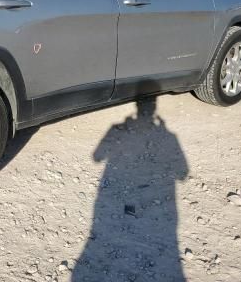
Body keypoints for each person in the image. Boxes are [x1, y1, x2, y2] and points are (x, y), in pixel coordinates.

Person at [73, 96, 189, 281]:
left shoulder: (116, 128)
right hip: (160, 216)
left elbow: (96, 156)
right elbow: (182, 173)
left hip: (111, 198)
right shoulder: (169, 136)